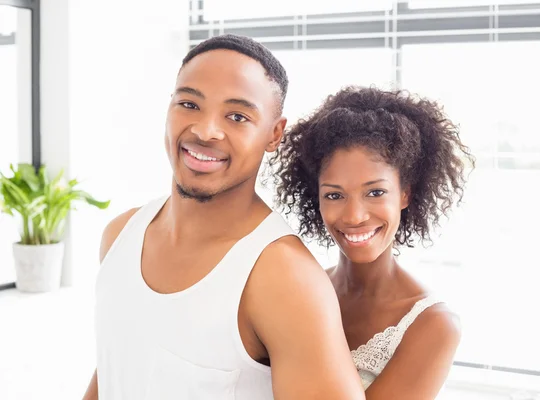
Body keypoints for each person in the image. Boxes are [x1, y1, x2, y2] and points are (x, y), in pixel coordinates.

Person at [82, 35, 365, 400]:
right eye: (189, 103)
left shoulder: (284, 278)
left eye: (237, 116)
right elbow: (115, 369)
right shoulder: (119, 234)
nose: (205, 131)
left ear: (274, 134)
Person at [271, 86, 474, 399]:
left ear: (405, 193)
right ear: (317, 200)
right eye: (335, 195)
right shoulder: (299, 290)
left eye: (375, 192)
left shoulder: (434, 325)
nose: (354, 216)